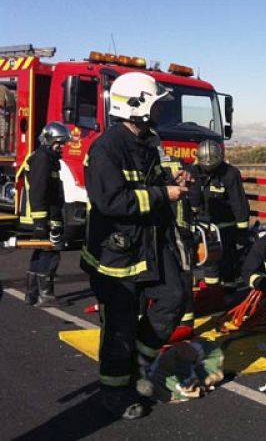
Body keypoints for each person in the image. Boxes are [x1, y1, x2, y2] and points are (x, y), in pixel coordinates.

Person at [81, 72, 192, 419]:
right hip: (116, 255)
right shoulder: (106, 148)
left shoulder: (148, 141)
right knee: (120, 327)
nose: (160, 110)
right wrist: (163, 194)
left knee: (175, 297)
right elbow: (111, 202)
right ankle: (115, 393)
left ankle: (140, 362)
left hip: (149, 244)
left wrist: (172, 180)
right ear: (136, 107)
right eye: (156, 104)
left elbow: (151, 180)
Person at [19, 122, 70, 306]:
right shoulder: (43, 159)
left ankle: (31, 294)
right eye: (59, 143)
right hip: (46, 218)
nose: (62, 146)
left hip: (45, 217)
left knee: (41, 251)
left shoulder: (46, 157)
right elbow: (38, 191)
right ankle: (45, 296)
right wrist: (41, 222)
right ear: (48, 140)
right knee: (51, 253)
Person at [189, 139, 249, 290]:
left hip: (225, 228)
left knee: (227, 262)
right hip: (202, 228)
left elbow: (239, 203)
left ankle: (229, 291)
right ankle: (212, 292)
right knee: (207, 263)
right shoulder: (193, 172)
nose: (208, 167)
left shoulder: (230, 174)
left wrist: (242, 231)